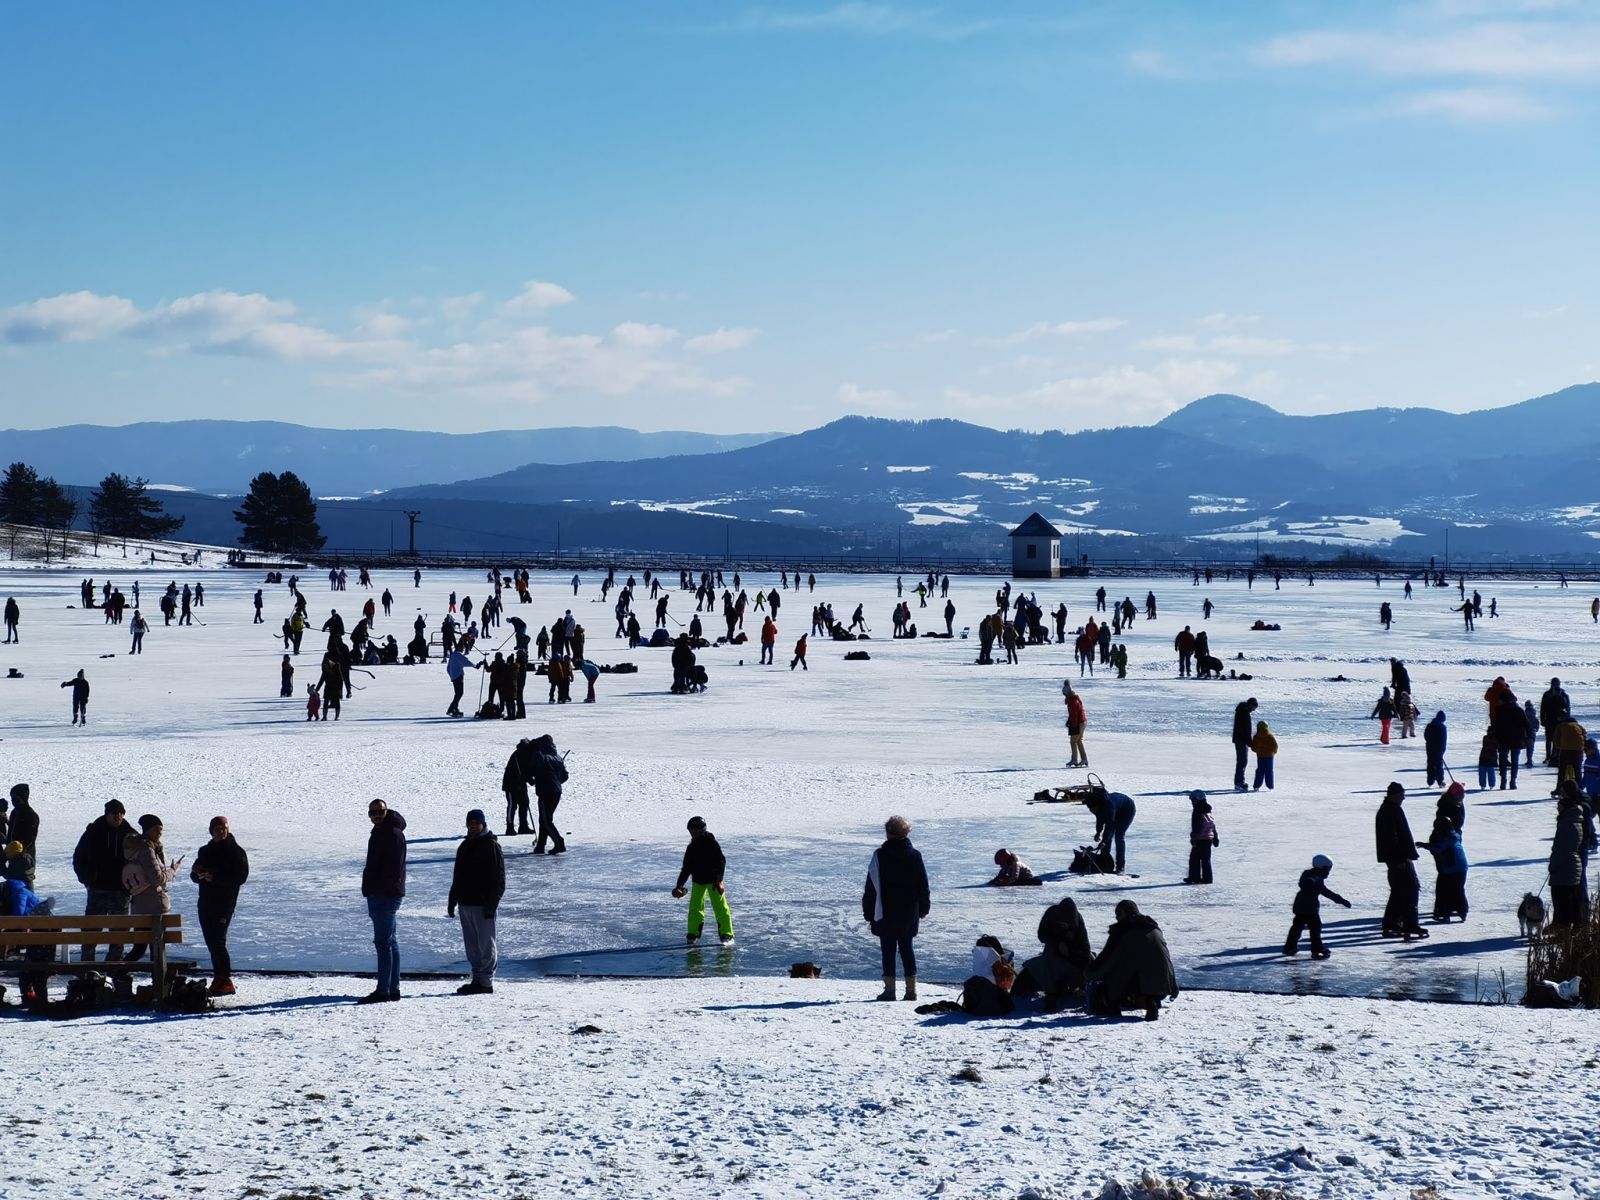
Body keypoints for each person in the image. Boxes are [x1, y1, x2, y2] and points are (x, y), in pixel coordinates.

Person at [862, 815, 929, 1002]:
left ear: (888, 833)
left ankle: (889, 991)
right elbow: (923, 885)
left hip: (885, 911)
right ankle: (911, 991)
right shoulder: (915, 855)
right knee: (907, 948)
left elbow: (871, 886)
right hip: (909, 911)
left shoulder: (880, 855)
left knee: (888, 950)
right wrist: (924, 908)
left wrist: (868, 911)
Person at [1085, 900, 1179, 1021]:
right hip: (1164, 985)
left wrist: (1089, 973)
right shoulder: (1153, 928)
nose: (1117, 918)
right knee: (1144, 970)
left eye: (1118, 914)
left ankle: (1113, 1006)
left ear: (1124, 914)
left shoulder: (1122, 931)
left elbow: (1106, 959)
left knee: (1113, 974)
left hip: (1142, 982)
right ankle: (1151, 1001)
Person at [447, 808, 504, 994]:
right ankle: (477, 979)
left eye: (476, 823)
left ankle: (486, 982)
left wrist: (491, 904)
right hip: (465, 903)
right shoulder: (464, 846)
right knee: (472, 946)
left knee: (486, 945)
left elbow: (499, 880)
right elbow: (458, 876)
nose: (473, 826)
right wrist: (452, 899)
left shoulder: (491, 846)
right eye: (470, 823)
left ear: (483, 824)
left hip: (482, 905)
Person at [191, 815, 249, 996]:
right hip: (206, 902)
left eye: (224, 828)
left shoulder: (236, 852)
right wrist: (198, 874)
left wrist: (215, 878)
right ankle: (220, 978)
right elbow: (194, 874)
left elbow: (240, 877)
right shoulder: (205, 851)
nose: (221, 831)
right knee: (211, 941)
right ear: (212, 831)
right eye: (218, 829)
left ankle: (224, 979)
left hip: (224, 903)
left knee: (218, 941)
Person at [360, 799, 407, 1003]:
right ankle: (392, 988)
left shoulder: (393, 834)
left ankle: (384, 991)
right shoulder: (381, 832)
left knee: (383, 944)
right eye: (373, 813)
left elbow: (393, 870)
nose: (376, 815)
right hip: (382, 894)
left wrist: (376, 889)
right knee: (390, 942)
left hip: (386, 895)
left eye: (380, 811)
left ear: (387, 811)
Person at [72, 798, 131, 962]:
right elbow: (79, 857)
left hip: (120, 890)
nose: (118, 817)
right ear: (107, 814)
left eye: (121, 813)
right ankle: (87, 969)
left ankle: (113, 968)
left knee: (119, 934)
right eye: (114, 814)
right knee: (91, 931)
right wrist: (86, 879)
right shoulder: (93, 832)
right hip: (98, 889)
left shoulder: (129, 833)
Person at [1013, 897, 1093, 1010]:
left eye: (1068, 925)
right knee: (1048, 961)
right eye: (1063, 924)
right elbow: (1042, 935)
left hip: (1073, 956)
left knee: (1089, 961)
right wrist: (1058, 943)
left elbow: (1085, 950)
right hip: (1053, 950)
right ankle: (1051, 995)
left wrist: (1070, 952)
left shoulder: (1078, 922)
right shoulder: (1051, 914)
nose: (1066, 926)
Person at [120, 814, 181, 962]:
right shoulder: (147, 850)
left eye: (161, 830)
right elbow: (157, 879)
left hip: (139, 906)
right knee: (157, 949)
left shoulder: (136, 849)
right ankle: (157, 982)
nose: (159, 833)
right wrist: (173, 870)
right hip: (153, 906)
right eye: (156, 829)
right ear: (147, 830)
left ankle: (119, 975)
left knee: (140, 947)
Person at [1375, 782, 1427, 940]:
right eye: (1401, 794)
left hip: (1398, 857)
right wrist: (1400, 859)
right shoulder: (1389, 811)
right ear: (1394, 795)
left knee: (1399, 892)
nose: (1404, 797)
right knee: (1410, 890)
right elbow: (1391, 839)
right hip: (1398, 858)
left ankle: (1391, 923)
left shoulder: (1391, 809)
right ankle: (1410, 924)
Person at [673, 815, 734, 945]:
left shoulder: (711, 843)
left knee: (721, 908)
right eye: (691, 830)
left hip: (714, 882)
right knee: (695, 908)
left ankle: (726, 934)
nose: (693, 833)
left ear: (702, 830)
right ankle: (692, 934)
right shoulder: (691, 847)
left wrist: (719, 879)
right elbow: (686, 868)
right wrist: (679, 885)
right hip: (698, 881)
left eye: (695, 830)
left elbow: (721, 861)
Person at [1282, 855, 1351, 959]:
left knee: (1297, 926)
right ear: (1322, 867)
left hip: (1302, 905)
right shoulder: (1312, 877)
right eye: (1328, 868)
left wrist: (1341, 900)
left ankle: (1290, 947)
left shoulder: (1315, 876)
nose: (1329, 871)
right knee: (1315, 927)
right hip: (1309, 908)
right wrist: (1341, 900)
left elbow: (1324, 890)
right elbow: (1310, 884)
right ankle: (1317, 950)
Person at [1416, 793, 1468, 923]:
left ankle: (1445, 912)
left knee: (1445, 889)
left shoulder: (1446, 837)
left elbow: (1439, 848)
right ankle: (1462, 911)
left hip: (1452, 868)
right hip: (1461, 868)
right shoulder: (1455, 834)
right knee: (1458, 889)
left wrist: (1425, 845)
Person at [1549, 785, 1590, 927]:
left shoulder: (1570, 823)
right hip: (1569, 865)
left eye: (1559, 806)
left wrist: (1554, 866)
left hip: (1568, 866)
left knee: (1566, 900)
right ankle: (1564, 925)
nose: (1557, 809)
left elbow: (1564, 849)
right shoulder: (1569, 821)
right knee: (1566, 899)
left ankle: (1570, 927)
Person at [527, 734, 568, 854]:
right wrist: (556, 781)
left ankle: (559, 843)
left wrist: (531, 780)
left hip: (545, 791)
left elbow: (530, 771)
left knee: (546, 820)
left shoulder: (539, 756)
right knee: (544, 819)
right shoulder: (558, 757)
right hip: (556, 791)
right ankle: (540, 846)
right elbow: (565, 776)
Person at [1085, 789, 1136, 873]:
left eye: (1093, 809)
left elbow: (1110, 826)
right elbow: (1100, 818)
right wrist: (1098, 832)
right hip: (1117, 809)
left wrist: (1104, 841)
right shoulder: (1098, 806)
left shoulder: (1109, 806)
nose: (1091, 811)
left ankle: (1120, 866)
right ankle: (1104, 861)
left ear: (1097, 805)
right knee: (1107, 838)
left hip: (1127, 810)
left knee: (1119, 837)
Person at [501, 739, 535, 836]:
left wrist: (530, 780)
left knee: (524, 804)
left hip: (521, 784)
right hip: (511, 785)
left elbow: (527, 770)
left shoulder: (526, 754)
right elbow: (524, 771)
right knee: (512, 806)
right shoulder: (520, 754)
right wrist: (531, 781)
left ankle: (523, 826)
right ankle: (509, 827)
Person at [1185, 790, 1218, 884]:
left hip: (1200, 838)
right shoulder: (1207, 810)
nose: (1192, 802)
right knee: (1205, 859)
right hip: (1208, 838)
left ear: (1198, 799)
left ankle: (1194, 877)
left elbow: (1197, 825)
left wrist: (1194, 837)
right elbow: (1212, 824)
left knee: (1194, 858)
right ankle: (1207, 878)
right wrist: (1215, 836)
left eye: (1193, 800)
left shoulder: (1197, 810)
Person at [8, 784, 38, 883]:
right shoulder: (14, 813)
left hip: (25, 858)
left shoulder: (31, 815)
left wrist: (19, 852)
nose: (12, 801)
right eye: (11, 798)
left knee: (25, 883)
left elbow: (30, 838)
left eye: (15, 798)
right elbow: (11, 834)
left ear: (22, 798)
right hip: (12, 857)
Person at [444, 646, 481, 718]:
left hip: (454, 677)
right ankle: (451, 709)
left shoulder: (452, 656)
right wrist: (475, 666)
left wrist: (451, 676)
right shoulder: (458, 655)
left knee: (457, 693)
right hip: (458, 676)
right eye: (463, 648)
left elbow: (448, 668)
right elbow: (466, 662)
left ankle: (454, 708)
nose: (463, 650)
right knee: (459, 693)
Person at [1231, 698, 1258, 791]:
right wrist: (1250, 742)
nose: (1254, 710)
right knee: (1242, 761)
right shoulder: (1244, 713)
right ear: (1250, 704)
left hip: (1240, 739)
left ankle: (1239, 782)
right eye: (1254, 707)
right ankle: (1239, 782)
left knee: (1242, 761)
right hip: (1241, 740)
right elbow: (1245, 729)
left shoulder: (1242, 711)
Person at [1063, 680, 1087, 767]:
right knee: (1078, 741)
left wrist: (1073, 725)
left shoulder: (1072, 701)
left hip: (1079, 722)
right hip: (1082, 721)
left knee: (1073, 741)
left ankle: (1074, 760)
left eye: (1065, 694)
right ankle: (1084, 759)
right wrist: (1068, 721)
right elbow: (1073, 714)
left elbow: (1074, 715)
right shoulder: (1073, 698)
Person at [1250, 720, 1277, 791]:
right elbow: (1275, 746)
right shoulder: (1270, 736)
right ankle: (1270, 786)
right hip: (1269, 756)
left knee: (1260, 770)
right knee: (1269, 771)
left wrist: (1258, 750)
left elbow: (1253, 747)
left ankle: (1256, 786)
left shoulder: (1256, 736)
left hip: (1260, 756)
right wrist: (1274, 752)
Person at [1423, 711, 1448, 787]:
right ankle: (1440, 781)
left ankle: (1430, 781)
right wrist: (1442, 751)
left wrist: (1430, 742)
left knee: (1430, 763)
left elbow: (1426, 736)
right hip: (1438, 749)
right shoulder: (1442, 727)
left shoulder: (1430, 725)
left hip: (1430, 748)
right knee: (1438, 765)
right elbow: (1443, 741)